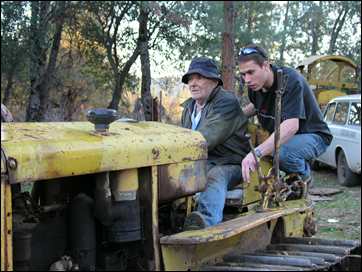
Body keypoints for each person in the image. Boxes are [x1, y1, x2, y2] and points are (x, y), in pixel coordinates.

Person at [238, 44, 332, 185]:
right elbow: (255, 106)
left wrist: (256, 153)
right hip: (289, 139)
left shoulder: (290, 80)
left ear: (265, 65)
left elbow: (291, 126)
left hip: (314, 136)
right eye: (243, 74)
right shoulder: (255, 86)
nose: (247, 80)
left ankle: (304, 180)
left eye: (251, 72)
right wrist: (236, 116)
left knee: (282, 153)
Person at [180, 57, 250, 230]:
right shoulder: (189, 108)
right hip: (203, 162)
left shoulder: (226, 103)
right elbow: (181, 137)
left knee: (214, 175)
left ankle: (205, 223)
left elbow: (206, 139)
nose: (193, 83)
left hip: (231, 162)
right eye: (190, 79)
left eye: (199, 78)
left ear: (214, 81)